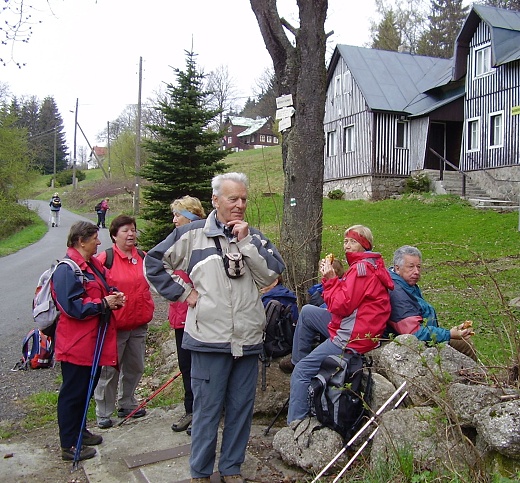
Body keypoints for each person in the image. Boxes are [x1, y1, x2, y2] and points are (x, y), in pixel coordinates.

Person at [145, 172, 285, 483]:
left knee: (240, 410)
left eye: (244, 199)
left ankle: (232, 469)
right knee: (207, 412)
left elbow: (272, 274)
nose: (239, 205)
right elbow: (154, 263)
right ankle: (200, 473)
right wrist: (184, 294)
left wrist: (247, 242)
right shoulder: (193, 235)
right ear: (215, 200)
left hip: (248, 340)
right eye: (233, 198)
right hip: (208, 339)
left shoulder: (256, 238)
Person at [287, 225, 394, 424]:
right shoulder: (367, 264)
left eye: (353, 241)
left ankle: (296, 426)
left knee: (301, 372)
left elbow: (340, 306)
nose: (347, 246)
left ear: (364, 244)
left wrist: (330, 280)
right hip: (358, 325)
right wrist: (331, 282)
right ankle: (300, 369)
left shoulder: (362, 270)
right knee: (309, 312)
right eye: (345, 241)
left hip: (354, 337)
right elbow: (340, 304)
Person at [50, 221, 125, 461]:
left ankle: (80, 431)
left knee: (86, 390)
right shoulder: (66, 269)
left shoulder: (91, 265)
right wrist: (104, 304)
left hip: (92, 342)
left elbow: (102, 287)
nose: (99, 242)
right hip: (75, 344)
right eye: (95, 238)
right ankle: (69, 444)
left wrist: (113, 294)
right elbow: (71, 306)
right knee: (73, 393)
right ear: (81, 241)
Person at [94, 215, 155, 429]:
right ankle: (104, 412)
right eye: (125, 231)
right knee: (109, 371)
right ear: (114, 235)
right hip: (114, 326)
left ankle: (127, 403)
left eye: (133, 230)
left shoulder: (144, 257)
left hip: (138, 323)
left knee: (135, 366)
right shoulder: (105, 259)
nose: (131, 234)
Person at [387, 245, 476, 359]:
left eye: (418, 267)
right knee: (464, 345)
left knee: (464, 343)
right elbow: (413, 332)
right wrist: (448, 334)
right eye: (411, 267)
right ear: (397, 268)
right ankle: (475, 375)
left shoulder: (406, 284)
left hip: (424, 336)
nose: (416, 272)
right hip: (411, 343)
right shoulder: (397, 291)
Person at [167, 196, 206, 434]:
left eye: (177, 215)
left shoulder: (203, 240)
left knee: (201, 368)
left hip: (201, 316)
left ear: (190, 217)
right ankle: (190, 411)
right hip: (180, 315)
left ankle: (202, 415)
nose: (174, 221)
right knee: (186, 366)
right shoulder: (175, 242)